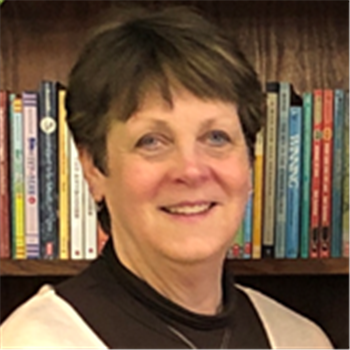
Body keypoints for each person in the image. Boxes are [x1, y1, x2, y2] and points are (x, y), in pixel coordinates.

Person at [0, 5, 333, 350]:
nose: (190, 169)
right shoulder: (34, 342)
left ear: (249, 161)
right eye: (152, 141)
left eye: (216, 137)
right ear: (93, 168)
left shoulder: (300, 340)